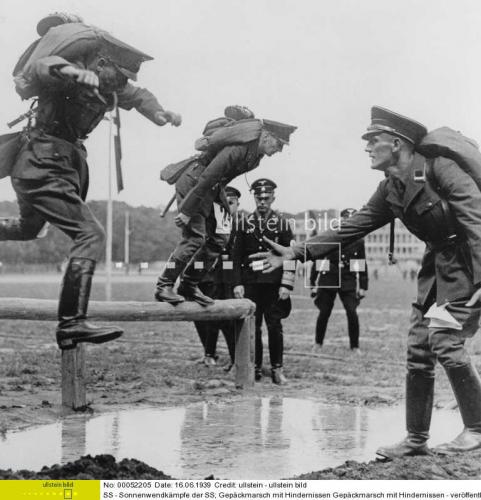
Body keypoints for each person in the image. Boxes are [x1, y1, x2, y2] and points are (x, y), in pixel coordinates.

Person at [252, 106, 481, 456]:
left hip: (467, 265)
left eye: (374, 140)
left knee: (445, 339)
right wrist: (296, 252)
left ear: (397, 143)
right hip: (436, 268)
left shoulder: (440, 169)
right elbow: (352, 226)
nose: (368, 148)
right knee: (419, 349)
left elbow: (477, 224)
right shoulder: (390, 188)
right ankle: (416, 439)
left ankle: (478, 428)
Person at [0, 15, 182, 350]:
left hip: (54, 164)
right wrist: (69, 71)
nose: (121, 82)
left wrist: (160, 113)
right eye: (119, 74)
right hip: (42, 163)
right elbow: (44, 67)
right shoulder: (70, 73)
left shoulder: (108, 81)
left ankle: (72, 323)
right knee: (90, 234)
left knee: (28, 229)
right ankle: (71, 323)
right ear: (101, 63)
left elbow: (137, 94)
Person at [154, 118, 296, 306]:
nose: (279, 150)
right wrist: (188, 210)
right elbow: (208, 176)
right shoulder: (239, 149)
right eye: (278, 144)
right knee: (195, 238)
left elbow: (219, 179)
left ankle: (189, 283)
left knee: (220, 238)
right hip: (195, 182)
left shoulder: (255, 158)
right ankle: (164, 284)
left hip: (212, 187)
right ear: (267, 136)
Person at [232, 178, 295, 384]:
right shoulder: (243, 224)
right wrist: (238, 283)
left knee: (274, 326)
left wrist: (287, 284)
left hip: (275, 285)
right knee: (253, 327)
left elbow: (290, 255)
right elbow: (236, 256)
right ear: (255, 198)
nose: (262, 202)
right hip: (251, 283)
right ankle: (255, 367)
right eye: (259, 198)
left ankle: (277, 369)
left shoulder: (282, 224)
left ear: (273, 198)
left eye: (266, 198)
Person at [193, 185, 241, 369]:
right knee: (204, 319)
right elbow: (197, 254)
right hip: (208, 281)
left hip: (232, 282)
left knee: (229, 321)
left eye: (231, 203)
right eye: (223, 204)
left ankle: (237, 359)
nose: (227, 207)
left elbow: (235, 258)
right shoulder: (209, 226)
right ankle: (209, 353)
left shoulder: (241, 227)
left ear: (237, 204)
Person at [310, 208, 368, 352]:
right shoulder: (331, 237)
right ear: (341, 221)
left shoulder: (359, 241)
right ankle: (318, 343)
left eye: (352, 220)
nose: (348, 223)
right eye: (345, 220)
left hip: (348, 281)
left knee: (352, 312)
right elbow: (320, 259)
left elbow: (361, 263)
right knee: (324, 312)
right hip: (328, 280)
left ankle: (355, 346)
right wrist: (313, 283)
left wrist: (363, 286)